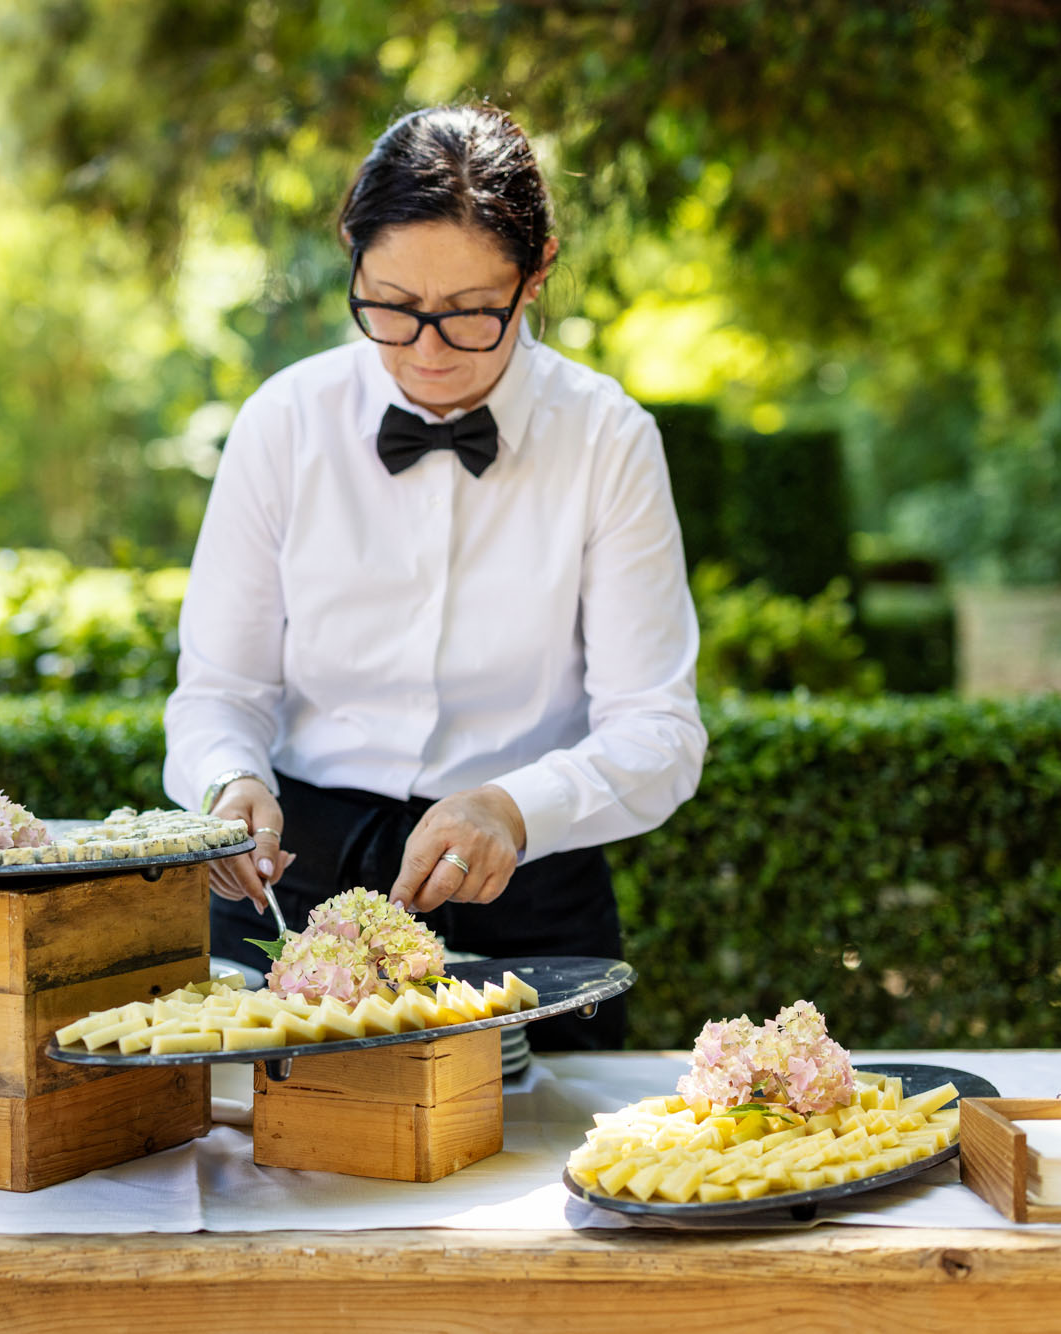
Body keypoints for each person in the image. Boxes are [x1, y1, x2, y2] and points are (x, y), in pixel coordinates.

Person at [163, 103, 706, 1050]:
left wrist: (514, 806)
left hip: (530, 889)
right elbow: (220, 692)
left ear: (534, 276)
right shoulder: (283, 424)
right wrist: (226, 783)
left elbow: (659, 730)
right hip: (292, 881)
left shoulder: (608, 438)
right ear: (351, 255)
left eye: (468, 316)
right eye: (391, 306)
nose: (423, 349)